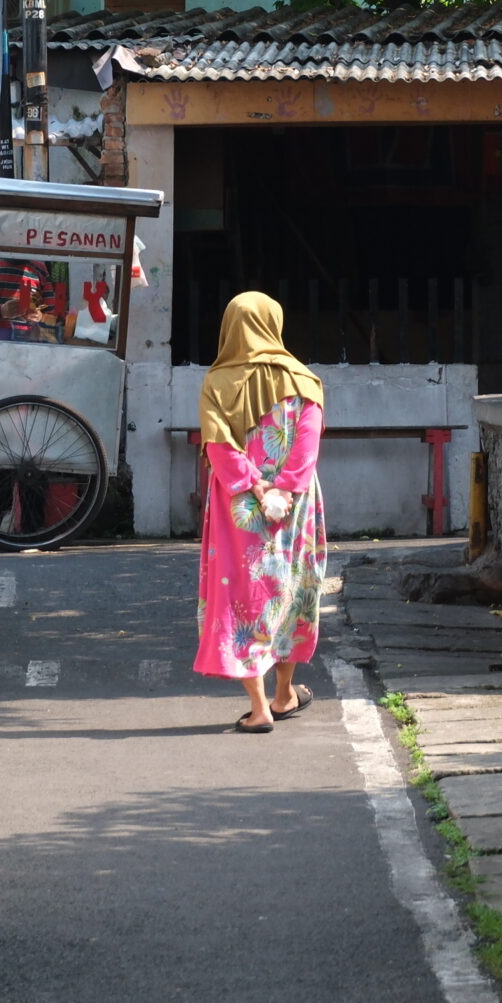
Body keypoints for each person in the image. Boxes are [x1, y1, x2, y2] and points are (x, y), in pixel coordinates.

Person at [191, 291, 328, 731]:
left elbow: (219, 448)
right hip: (294, 505)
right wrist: (284, 490)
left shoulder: (217, 383)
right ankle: (285, 691)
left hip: (240, 508)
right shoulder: (304, 379)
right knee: (291, 587)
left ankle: (262, 706)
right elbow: (307, 449)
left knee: (243, 595)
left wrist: (256, 486)